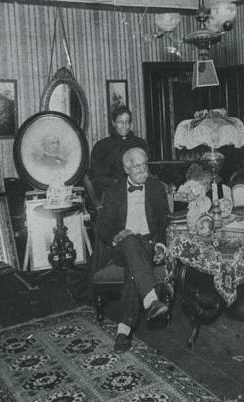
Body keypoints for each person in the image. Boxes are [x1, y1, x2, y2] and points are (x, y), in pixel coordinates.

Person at [95, 147, 169, 353]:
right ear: (126, 168)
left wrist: (161, 245)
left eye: (145, 165)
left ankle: (123, 330)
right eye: (137, 166)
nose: (143, 170)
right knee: (129, 241)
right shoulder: (113, 191)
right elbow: (103, 227)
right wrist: (116, 235)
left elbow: (163, 222)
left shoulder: (155, 188)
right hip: (123, 246)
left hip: (149, 245)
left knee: (134, 270)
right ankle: (151, 300)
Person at [88, 106, 148, 203]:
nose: (124, 125)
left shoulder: (140, 143)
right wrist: (118, 184)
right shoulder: (102, 146)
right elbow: (97, 177)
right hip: (113, 193)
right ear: (113, 123)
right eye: (120, 122)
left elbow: (147, 170)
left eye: (127, 122)